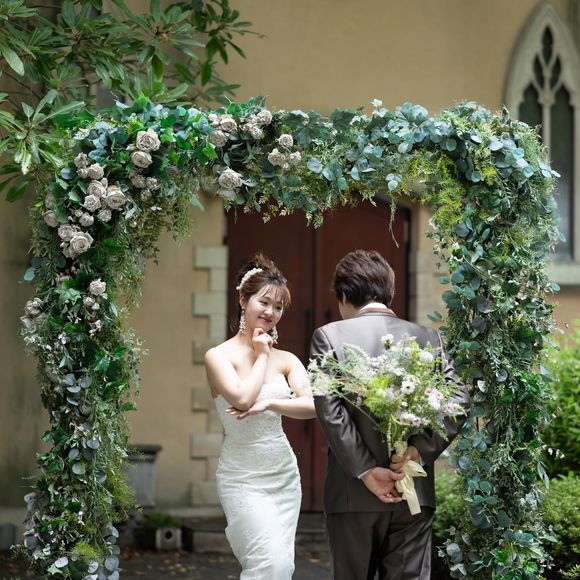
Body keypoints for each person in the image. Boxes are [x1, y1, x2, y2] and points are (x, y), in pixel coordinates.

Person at [311, 249, 471, 580]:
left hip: (352, 497)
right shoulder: (428, 338)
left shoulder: (328, 337)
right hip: (411, 490)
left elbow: (330, 411)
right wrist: (418, 452)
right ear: (389, 292)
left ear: (344, 296)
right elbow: (458, 401)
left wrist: (367, 470)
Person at [204, 254, 317, 580]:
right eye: (264, 302)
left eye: (278, 307)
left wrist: (271, 405)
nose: (270, 312)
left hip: (282, 476)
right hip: (241, 476)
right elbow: (242, 398)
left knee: (282, 567)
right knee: (268, 565)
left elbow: (313, 405)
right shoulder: (218, 356)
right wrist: (262, 355)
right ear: (243, 300)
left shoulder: (288, 360)